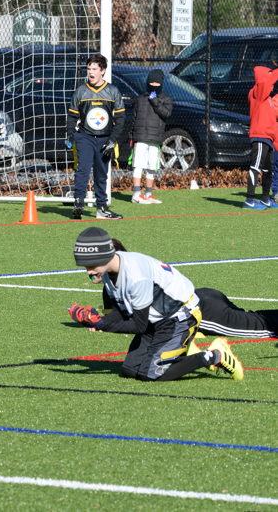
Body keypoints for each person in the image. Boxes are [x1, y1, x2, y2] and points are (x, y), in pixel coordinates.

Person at [69, 227, 244, 382]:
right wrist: (95, 320)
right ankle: (179, 349)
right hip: (156, 319)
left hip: (179, 317)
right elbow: (121, 312)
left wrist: (103, 324)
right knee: (130, 370)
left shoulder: (135, 276)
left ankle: (214, 356)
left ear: (105, 256)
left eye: (90, 265)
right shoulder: (110, 270)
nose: (88, 271)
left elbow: (139, 325)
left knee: (151, 374)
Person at [66, 53, 125, 220]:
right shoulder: (81, 91)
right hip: (85, 137)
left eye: (94, 69)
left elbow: (121, 118)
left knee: (101, 174)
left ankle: (102, 208)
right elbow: (72, 117)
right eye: (88, 69)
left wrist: (112, 139)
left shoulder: (112, 91)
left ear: (103, 71)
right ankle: (78, 203)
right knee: (82, 170)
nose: (91, 72)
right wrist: (70, 135)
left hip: (105, 139)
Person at [129, 69, 172, 204]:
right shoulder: (140, 99)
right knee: (138, 165)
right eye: (151, 82)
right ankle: (136, 194)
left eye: (157, 83)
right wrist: (132, 136)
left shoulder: (166, 99)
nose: (154, 85)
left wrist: (155, 101)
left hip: (155, 138)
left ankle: (148, 194)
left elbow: (166, 114)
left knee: (152, 167)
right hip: (140, 137)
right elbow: (134, 118)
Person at [243, 65, 278, 209]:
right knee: (255, 168)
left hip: (268, 139)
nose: (272, 84)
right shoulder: (257, 93)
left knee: (268, 170)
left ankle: (265, 198)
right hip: (259, 137)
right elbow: (268, 80)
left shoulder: (268, 99)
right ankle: (249, 200)